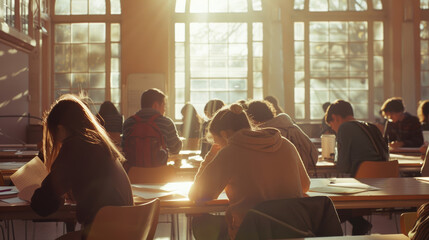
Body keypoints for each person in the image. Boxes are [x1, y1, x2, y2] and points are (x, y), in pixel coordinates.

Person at [189, 104, 310, 240]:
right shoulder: (286, 144)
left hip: (251, 235)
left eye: (216, 141)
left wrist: (212, 155)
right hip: (292, 234)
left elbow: (196, 193)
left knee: (200, 222)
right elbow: (305, 185)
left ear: (224, 135)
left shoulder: (230, 152)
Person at [26, 94, 133, 239]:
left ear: (60, 128)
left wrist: (34, 192)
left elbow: (44, 205)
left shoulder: (74, 147)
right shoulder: (100, 144)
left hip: (102, 234)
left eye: (53, 133)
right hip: (127, 231)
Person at [325, 99, 388, 235]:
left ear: (335, 118)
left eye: (331, 125)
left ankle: (359, 224)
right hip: (386, 181)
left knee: (330, 206)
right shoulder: (371, 126)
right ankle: (360, 224)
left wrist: (334, 158)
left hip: (363, 182)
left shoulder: (344, 127)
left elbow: (342, 167)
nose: (333, 129)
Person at [246, 100, 318, 172]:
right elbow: (313, 153)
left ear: (253, 118)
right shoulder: (291, 125)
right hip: (302, 171)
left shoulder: (268, 134)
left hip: (282, 174)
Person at [122, 88, 182, 167]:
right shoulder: (167, 123)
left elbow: (123, 150)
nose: (164, 110)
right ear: (156, 105)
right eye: (164, 105)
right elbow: (175, 149)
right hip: (159, 176)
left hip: (133, 176)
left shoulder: (128, 123)